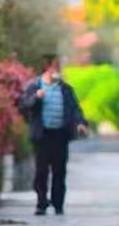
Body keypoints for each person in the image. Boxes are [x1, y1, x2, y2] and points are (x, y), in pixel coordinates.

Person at [20, 56, 87, 216]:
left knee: (59, 171)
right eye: (54, 67)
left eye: (58, 67)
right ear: (46, 69)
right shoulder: (34, 86)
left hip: (60, 135)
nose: (57, 70)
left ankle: (58, 204)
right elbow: (23, 106)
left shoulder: (65, 89)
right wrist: (36, 97)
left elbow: (75, 108)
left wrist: (80, 122)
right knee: (41, 171)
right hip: (42, 136)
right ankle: (41, 202)